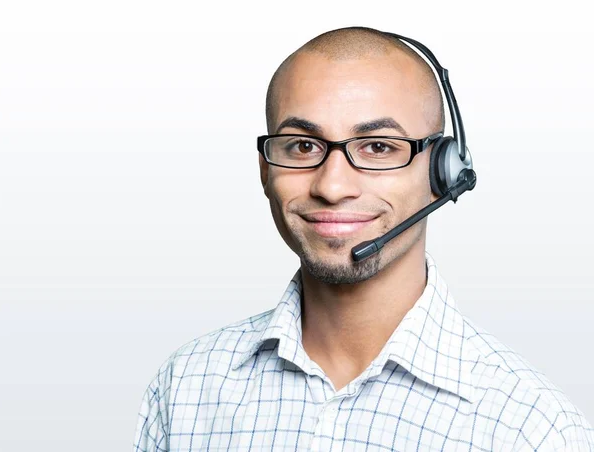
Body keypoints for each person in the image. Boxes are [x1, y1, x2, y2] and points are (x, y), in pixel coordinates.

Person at [133, 27, 594, 451]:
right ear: (265, 170)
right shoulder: (186, 388)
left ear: (445, 172)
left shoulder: (531, 429)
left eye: (377, 147)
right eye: (302, 146)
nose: (332, 187)